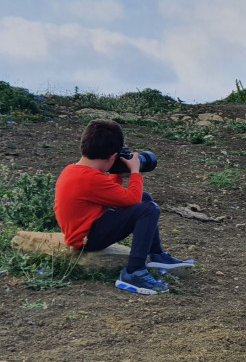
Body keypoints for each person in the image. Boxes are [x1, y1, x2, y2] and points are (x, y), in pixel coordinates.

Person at [54, 119, 193, 295]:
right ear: (113, 156)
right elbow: (131, 200)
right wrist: (135, 172)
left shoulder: (75, 170)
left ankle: (156, 254)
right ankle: (134, 272)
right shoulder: (90, 178)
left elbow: (111, 195)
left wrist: (117, 175)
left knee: (145, 198)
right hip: (87, 238)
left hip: (88, 229)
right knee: (147, 208)